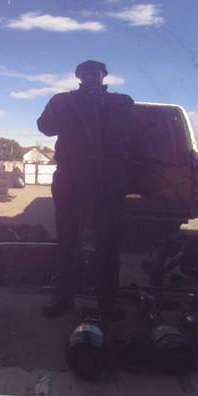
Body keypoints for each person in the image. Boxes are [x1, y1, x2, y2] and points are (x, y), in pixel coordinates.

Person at [37, 60, 134, 316]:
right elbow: (45, 127)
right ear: (79, 77)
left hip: (108, 181)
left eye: (96, 73)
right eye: (85, 73)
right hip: (72, 179)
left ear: (104, 76)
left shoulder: (121, 102)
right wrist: (66, 107)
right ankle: (62, 298)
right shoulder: (63, 100)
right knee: (68, 240)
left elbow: (130, 132)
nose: (91, 76)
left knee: (109, 241)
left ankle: (108, 300)